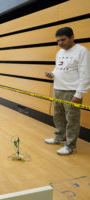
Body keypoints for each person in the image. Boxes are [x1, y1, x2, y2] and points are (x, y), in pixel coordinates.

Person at [45, 27, 90, 155]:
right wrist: (52, 74)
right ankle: (59, 137)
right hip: (58, 89)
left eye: (63, 40)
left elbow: (86, 75)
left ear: (72, 37)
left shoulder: (82, 51)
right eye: (58, 41)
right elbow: (58, 68)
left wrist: (78, 94)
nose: (60, 43)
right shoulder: (59, 53)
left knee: (72, 120)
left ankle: (70, 146)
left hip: (72, 92)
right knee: (58, 117)